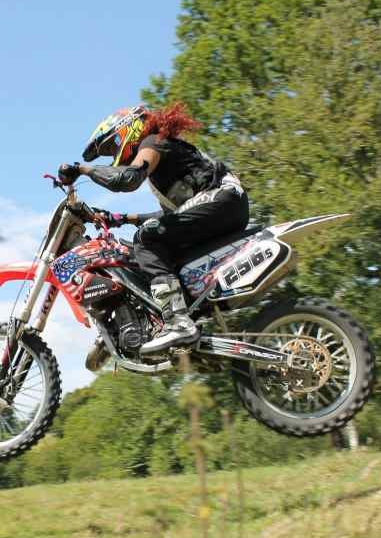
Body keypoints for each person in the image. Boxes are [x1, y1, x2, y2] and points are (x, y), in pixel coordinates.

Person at [57, 103, 249, 354]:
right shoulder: (160, 160)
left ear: (130, 128)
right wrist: (121, 218)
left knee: (145, 240)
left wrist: (82, 169)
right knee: (155, 243)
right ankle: (179, 321)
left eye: (113, 144)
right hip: (224, 205)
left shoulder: (152, 142)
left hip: (224, 199)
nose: (114, 153)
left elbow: (126, 179)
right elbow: (173, 217)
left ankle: (178, 322)